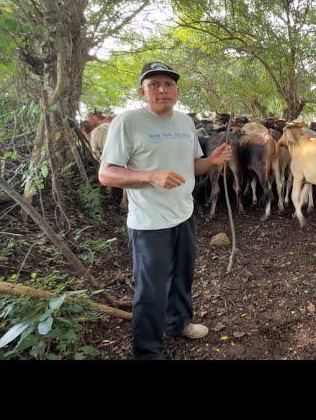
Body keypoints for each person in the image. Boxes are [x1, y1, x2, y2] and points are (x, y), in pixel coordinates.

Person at [98, 62, 232, 359]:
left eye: (168, 84)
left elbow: (192, 166)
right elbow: (106, 175)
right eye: (154, 83)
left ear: (177, 90)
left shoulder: (185, 122)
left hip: (183, 215)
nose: (162, 89)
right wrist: (150, 176)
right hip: (148, 222)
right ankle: (147, 351)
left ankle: (178, 323)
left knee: (183, 276)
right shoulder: (128, 121)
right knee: (150, 290)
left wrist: (212, 161)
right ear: (142, 91)